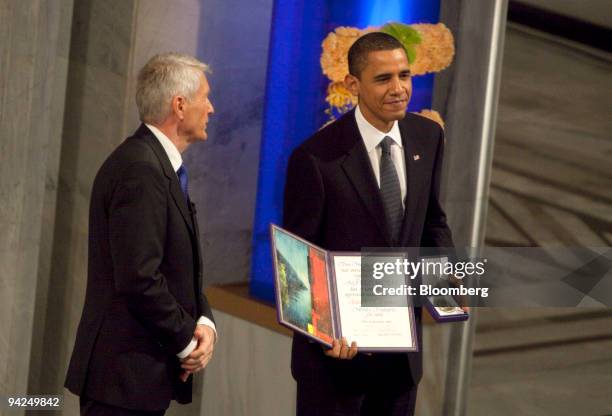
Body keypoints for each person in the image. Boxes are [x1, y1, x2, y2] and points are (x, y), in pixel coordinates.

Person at [283, 32, 454, 415]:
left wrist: (447, 279)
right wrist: (324, 331)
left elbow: (433, 222)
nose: (399, 89)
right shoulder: (315, 159)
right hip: (336, 365)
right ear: (352, 85)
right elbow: (297, 260)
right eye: (383, 79)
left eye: (405, 75)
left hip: (400, 362)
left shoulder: (428, 137)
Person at [65, 53, 217, 416]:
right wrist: (186, 338)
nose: (211, 108)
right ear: (179, 105)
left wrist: (205, 321)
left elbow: (180, 263)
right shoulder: (140, 169)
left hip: (138, 377)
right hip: (122, 378)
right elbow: (139, 277)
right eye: (205, 97)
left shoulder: (158, 165)